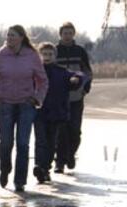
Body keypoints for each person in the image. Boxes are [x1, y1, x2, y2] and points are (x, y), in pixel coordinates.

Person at [0, 25, 48, 192]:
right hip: (5, 104)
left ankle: (20, 180)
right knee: (6, 142)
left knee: (23, 143)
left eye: (13, 35)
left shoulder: (32, 55)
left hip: (26, 104)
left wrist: (37, 98)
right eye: (8, 35)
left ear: (21, 38)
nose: (10, 38)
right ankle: (5, 169)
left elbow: (43, 81)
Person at [33, 42, 86, 183]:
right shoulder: (35, 73)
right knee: (40, 141)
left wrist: (77, 79)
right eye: (44, 54)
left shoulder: (61, 72)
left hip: (56, 113)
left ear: (55, 56)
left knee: (51, 143)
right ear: (39, 55)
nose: (47, 57)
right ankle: (38, 166)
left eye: (50, 54)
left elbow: (79, 74)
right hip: (39, 112)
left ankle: (45, 168)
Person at [55, 21, 93, 173]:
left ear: (73, 34)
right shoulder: (55, 50)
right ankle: (60, 162)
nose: (68, 36)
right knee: (60, 131)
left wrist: (85, 88)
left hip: (77, 98)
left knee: (75, 130)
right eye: (65, 33)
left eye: (70, 33)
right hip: (59, 98)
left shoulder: (80, 51)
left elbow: (88, 71)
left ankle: (71, 154)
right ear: (61, 34)